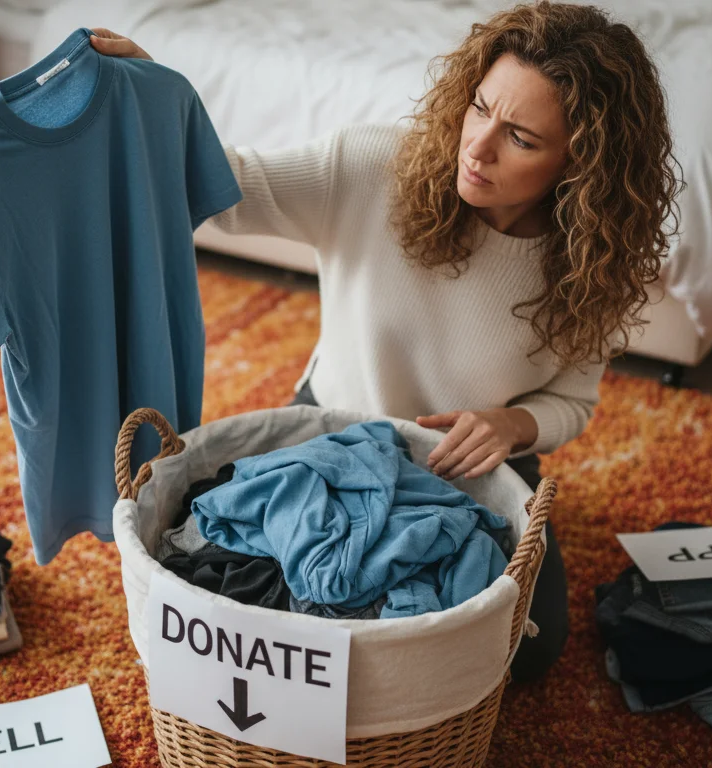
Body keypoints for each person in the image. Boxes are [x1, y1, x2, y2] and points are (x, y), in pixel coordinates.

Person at [89, 2, 679, 683]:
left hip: (464, 470)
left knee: (530, 648)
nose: (478, 147)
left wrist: (514, 424)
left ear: (582, 164)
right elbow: (231, 189)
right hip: (332, 437)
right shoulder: (377, 166)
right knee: (269, 601)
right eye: (480, 107)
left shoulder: (593, 263)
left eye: (520, 137)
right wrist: (159, 100)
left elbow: (572, 401)